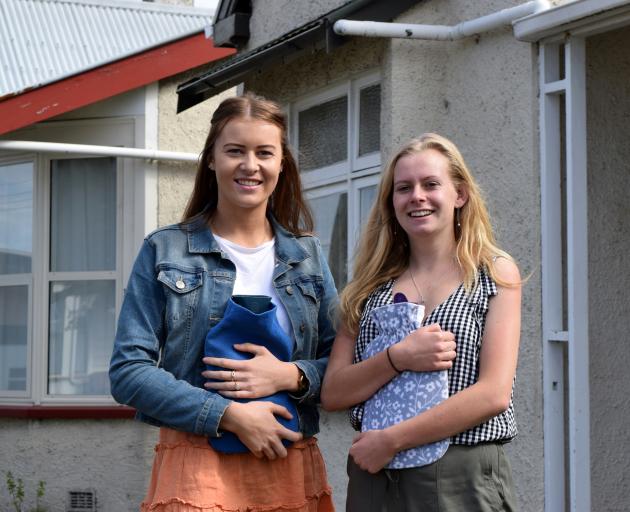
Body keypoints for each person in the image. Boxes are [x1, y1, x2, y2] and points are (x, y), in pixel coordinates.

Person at [109, 93, 337, 512]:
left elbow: (341, 365)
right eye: (235, 151)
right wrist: (227, 414)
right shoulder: (166, 250)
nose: (250, 165)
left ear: (281, 163)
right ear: (212, 159)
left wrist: (291, 376)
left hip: (288, 462)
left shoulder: (308, 257)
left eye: (264, 152)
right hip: (198, 466)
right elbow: (128, 372)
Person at [321, 133, 521, 511]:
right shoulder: (367, 289)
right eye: (403, 188)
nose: (417, 196)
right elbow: (333, 392)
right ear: (391, 201)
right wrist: (399, 356)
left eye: (431, 184)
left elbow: (493, 393)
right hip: (376, 480)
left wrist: (392, 440)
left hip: (461, 476)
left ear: (459, 194)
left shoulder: (492, 273)